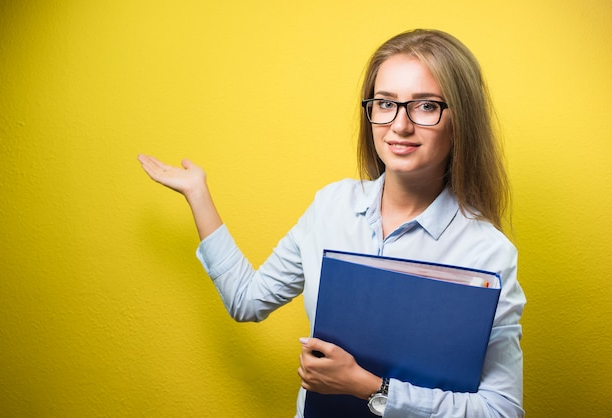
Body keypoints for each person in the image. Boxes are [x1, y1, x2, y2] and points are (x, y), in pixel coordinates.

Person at [138, 28, 526, 418]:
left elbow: (501, 411)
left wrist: (371, 389)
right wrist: (198, 194)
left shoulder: (487, 252)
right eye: (385, 103)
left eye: (426, 106)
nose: (400, 126)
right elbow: (248, 300)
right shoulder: (332, 206)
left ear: (460, 120)